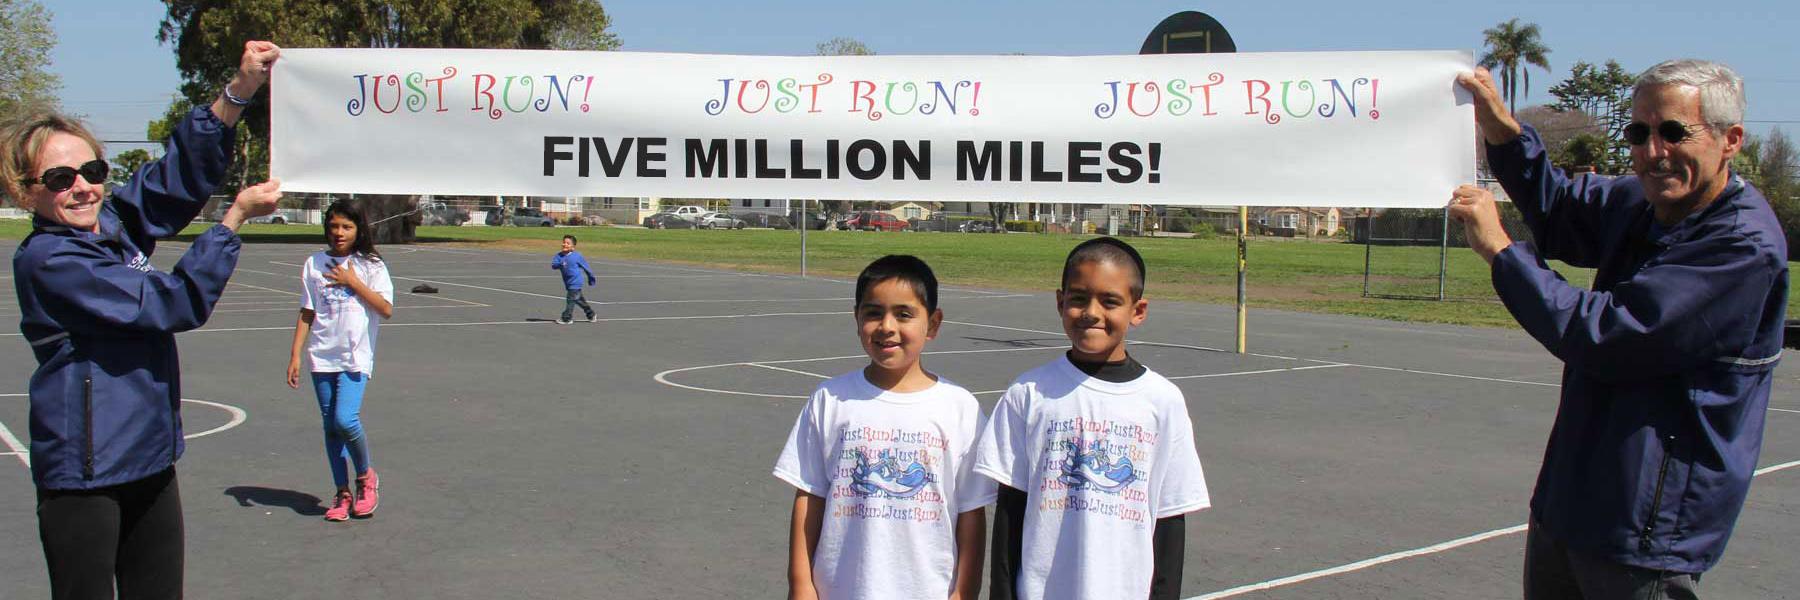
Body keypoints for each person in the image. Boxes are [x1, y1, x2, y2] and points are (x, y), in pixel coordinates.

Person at [1449, 61, 1787, 598]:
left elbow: (1608, 335)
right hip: (1572, 502)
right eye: (1639, 133)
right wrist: (1502, 131)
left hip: (1643, 526)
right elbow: (1559, 207)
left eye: (1675, 132)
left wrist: (1501, 252)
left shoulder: (1741, 246)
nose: (1655, 152)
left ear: (1731, 141)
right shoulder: (1643, 203)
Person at [4, 40, 282, 600]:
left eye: (91, 169)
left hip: (149, 457)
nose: (81, 186)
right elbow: (172, 303)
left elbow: (169, 182)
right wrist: (231, 222)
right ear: (24, 190)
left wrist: (241, 89)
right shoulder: (52, 260)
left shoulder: (105, 227)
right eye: (59, 180)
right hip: (86, 475)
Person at [973, 237, 1209, 600]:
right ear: (1060, 301)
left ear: (1138, 310)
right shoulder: (1030, 392)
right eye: (1079, 298)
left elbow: (1169, 523)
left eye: (1110, 301)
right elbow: (1009, 515)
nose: (1091, 312)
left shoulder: (1162, 401)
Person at [774, 255, 994, 600]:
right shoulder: (831, 399)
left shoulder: (959, 407)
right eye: (874, 312)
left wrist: (965, 591)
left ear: (933, 324)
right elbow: (809, 496)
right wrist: (801, 585)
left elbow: (971, 513)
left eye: (904, 314)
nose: (887, 326)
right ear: (856, 317)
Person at [284, 200, 394, 522]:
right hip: (322, 355)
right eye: (333, 226)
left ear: (358, 230)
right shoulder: (314, 264)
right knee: (331, 428)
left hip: (354, 356)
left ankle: (365, 478)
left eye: (346, 227)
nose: (339, 233)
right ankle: (342, 492)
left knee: (346, 420)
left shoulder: (370, 265)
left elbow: (386, 309)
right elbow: (307, 312)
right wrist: (294, 356)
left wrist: (353, 282)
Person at [551, 234, 597, 324]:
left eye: (568, 243)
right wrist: (560, 264)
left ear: (573, 247)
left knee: (570, 299)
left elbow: (586, 267)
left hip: (576, 281)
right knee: (579, 300)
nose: (565, 244)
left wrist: (591, 278)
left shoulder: (577, 256)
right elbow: (553, 265)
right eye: (564, 242)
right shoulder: (559, 256)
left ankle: (566, 318)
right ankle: (591, 314)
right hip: (568, 282)